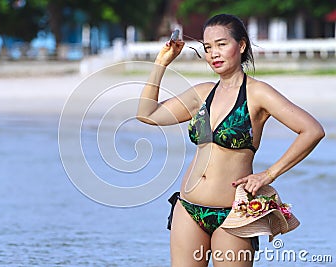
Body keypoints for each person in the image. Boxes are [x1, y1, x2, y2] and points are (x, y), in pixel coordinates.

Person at [136, 14, 325, 267]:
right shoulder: (202, 94)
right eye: (207, 47)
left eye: (222, 44)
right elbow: (146, 114)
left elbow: (312, 130)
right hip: (189, 209)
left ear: (242, 45)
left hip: (233, 215)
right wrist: (161, 63)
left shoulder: (258, 94)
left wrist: (268, 174)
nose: (214, 53)